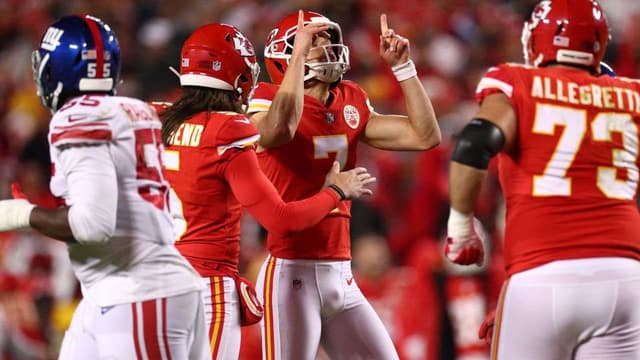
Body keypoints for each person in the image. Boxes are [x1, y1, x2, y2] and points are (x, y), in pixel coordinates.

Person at [159, 20, 376, 360]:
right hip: (207, 287)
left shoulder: (160, 118)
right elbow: (280, 218)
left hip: (155, 282)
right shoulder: (228, 130)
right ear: (239, 76)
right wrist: (335, 190)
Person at [0, 15, 209, 359]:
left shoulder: (76, 117)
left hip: (139, 291)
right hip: (120, 289)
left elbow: (92, 225)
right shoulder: (134, 109)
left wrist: (25, 214)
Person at [444, 0, 640, 358]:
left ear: (538, 39)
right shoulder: (633, 94)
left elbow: (474, 144)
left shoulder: (517, 82)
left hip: (541, 272)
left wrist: (461, 227)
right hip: (624, 279)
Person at [247, 10, 441, 359]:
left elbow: (425, 135)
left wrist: (403, 68)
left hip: (341, 269)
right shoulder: (267, 97)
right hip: (291, 270)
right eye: (314, 42)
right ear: (286, 55)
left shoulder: (350, 98)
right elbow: (278, 130)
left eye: (328, 39)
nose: (328, 48)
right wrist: (298, 61)